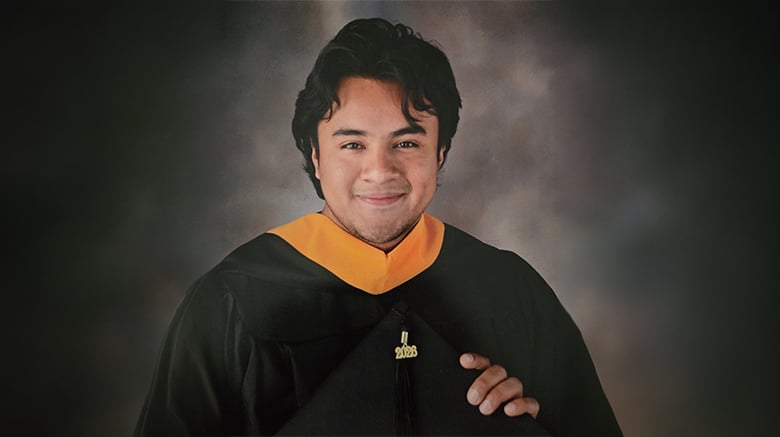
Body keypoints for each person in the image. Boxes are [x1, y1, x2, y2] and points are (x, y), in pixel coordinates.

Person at [135, 18, 621, 436]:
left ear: (440, 154)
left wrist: (527, 425)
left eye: (406, 143)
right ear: (315, 156)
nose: (380, 171)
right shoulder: (232, 305)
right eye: (352, 145)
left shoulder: (511, 293)